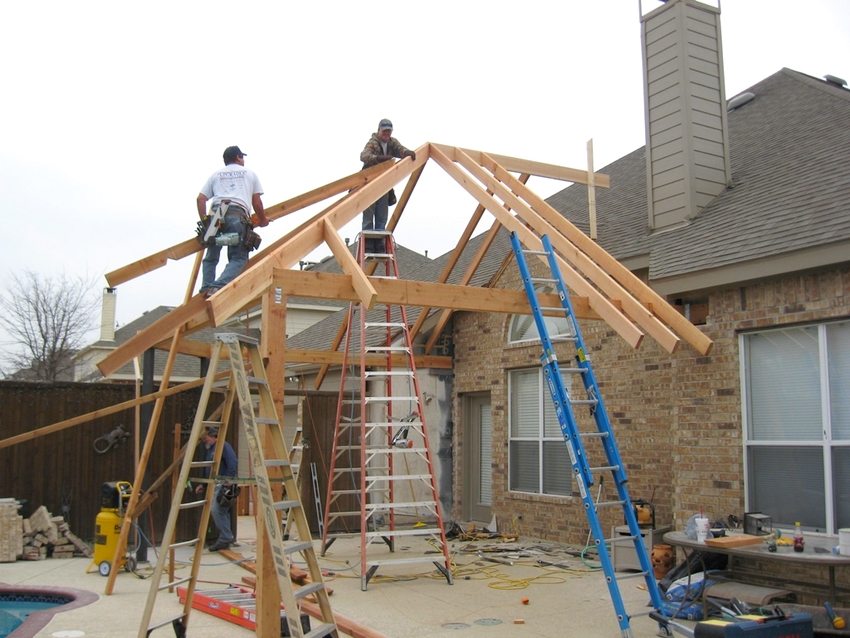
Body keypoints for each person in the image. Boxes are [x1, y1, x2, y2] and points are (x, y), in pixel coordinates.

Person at [196, 145, 269, 296]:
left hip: (217, 214)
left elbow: (201, 199)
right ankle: (217, 286)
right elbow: (257, 203)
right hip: (236, 214)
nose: (243, 160)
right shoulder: (250, 174)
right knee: (239, 256)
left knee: (213, 248)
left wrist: (205, 221)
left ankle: (207, 286)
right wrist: (263, 220)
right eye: (242, 157)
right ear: (237, 157)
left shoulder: (216, 175)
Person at [359, 119, 415, 253]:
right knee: (368, 214)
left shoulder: (391, 142)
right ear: (379, 131)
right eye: (384, 131)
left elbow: (400, 149)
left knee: (381, 214)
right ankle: (368, 245)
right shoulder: (373, 142)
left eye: (388, 131)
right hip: (370, 183)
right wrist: (378, 158)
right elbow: (364, 156)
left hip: (384, 184)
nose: (386, 134)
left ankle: (379, 244)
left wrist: (407, 153)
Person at [195, 426, 238, 551]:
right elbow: (208, 468)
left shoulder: (223, 446)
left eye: (206, 438)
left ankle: (225, 537)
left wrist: (229, 481)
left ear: (214, 436)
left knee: (217, 510)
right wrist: (203, 485)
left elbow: (233, 462)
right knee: (222, 510)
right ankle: (226, 537)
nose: (204, 441)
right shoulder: (211, 449)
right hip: (219, 484)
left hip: (226, 484)